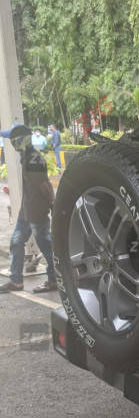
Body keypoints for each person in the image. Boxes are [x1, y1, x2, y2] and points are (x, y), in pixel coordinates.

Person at [0, 124, 57, 293]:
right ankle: (16, 281)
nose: (10, 142)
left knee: (46, 247)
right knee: (16, 242)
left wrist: (53, 204)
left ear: (19, 141)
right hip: (25, 212)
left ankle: (54, 280)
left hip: (36, 213)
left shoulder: (33, 160)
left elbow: (44, 186)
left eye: (12, 139)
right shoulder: (27, 157)